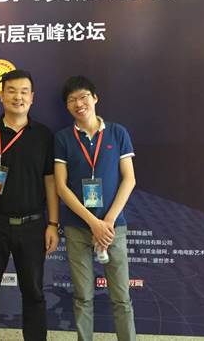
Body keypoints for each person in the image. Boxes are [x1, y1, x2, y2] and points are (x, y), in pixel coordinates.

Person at [0, 69, 59, 341]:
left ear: (32, 97)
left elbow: (51, 182)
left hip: (33, 226)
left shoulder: (43, 135)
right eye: (12, 91)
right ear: (1, 96)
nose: (18, 97)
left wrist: (53, 223)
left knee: (34, 293)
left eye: (24, 92)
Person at [54, 76, 136, 341]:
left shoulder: (117, 133)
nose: (79, 103)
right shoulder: (63, 138)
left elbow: (129, 179)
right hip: (78, 228)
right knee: (82, 297)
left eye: (84, 97)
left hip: (114, 229)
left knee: (122, 298)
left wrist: (107, 222)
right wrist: (93, 223)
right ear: (67, 106)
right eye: (72, 100)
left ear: (95, 98)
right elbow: (61, 187)